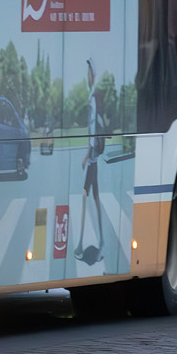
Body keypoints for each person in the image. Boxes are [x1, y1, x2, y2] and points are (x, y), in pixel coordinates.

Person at [74, 59, 105, 262]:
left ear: (93, 74)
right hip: (93, 156)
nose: (87, 75)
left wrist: (87, 154)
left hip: (93, 156)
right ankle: (97, 242)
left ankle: (81, 244)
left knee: (87, 195)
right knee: (93, 196)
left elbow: (93, 129)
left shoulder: (93, 97)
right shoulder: (94, 96)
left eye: (88, 72)